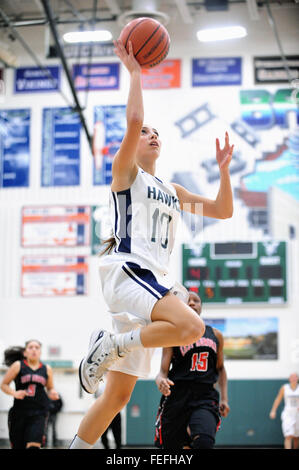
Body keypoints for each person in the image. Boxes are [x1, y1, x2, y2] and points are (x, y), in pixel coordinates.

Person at [69, 39, 234, 449]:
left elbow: (223, 210)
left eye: (156, 133)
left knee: (117, 397)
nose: (152, 134)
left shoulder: (171, 189)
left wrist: (224, 171)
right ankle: (109, 345)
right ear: (132, 143)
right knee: (191, 326)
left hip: (148, 287)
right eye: (146, 133)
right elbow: (134, 119)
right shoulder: (126, 173)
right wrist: (137, 72)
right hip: (129, 270)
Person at [154, 291, 230, 449]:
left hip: (205, 395)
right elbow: (162, 371)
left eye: (197, 300)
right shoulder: (172, 334)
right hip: (177, 395)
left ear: (201, 307)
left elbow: (221, 368)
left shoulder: (216, 334)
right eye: (188, 300)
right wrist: (160, 380)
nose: (193, 303)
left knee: (204, 441)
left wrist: (224, 398)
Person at [1, 339, 59, 449]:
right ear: (25, 352)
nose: (34, 350)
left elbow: (50, 388)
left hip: (39, 413)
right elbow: (3, 385)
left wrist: (52, 393)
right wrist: (14, 393)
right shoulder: (18, 365)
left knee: (34, 446)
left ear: (40, 352)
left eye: (37, 347)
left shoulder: (47, 369)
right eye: (30, 347)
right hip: (19, 412)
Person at [270, 373, 299, 449]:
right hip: (288, 414)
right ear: (289, 379)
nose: (293, 379)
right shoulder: (284, 388)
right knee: (288, 436)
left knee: (296, 437)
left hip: (297, 414)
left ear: (297, 379)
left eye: (295, 377)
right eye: (292, 377)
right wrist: (273, 411)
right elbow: (278, 399)